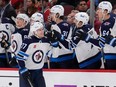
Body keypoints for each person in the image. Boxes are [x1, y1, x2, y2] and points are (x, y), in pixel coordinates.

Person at [15, 22, 52, 87]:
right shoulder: (28, 41)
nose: (42, 31)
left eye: (42, 29)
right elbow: (19, 57)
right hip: (27, 72)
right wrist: (23, 69)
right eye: (39, 30)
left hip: (39, 72)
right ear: (34, 32)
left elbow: (52, 54)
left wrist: (55, 44)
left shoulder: (46, 41)